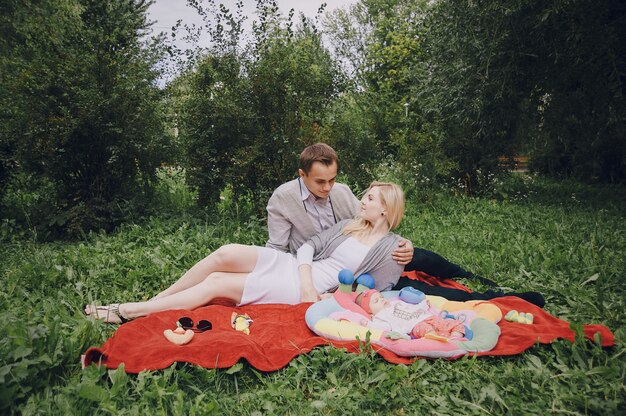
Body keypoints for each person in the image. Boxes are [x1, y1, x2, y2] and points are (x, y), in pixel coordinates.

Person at [85, 181, 408, 323]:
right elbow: (310, 246)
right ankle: (156, 301)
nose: (361, 201)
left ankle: (127, 311)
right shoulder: (349, 226)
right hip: (296, 267)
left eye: (369, 198)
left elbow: (378, 292)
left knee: (216, 284)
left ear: (385, 210)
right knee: (225, 254)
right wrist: (306, 276)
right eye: (364, 196)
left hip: (298, 288)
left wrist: (325, 296)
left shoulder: (392, 248)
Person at [266, 143, 545, 306]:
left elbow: (370, 222)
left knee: (411, 253)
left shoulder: (340, 191)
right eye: (320, 182)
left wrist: (404, 243)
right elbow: (277, 249)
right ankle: (493, 298)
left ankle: (464, 273)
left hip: (364, 253)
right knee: (415, 291)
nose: (328, 187)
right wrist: (288, 280)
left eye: (333, 179)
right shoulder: (283, 198)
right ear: (302, 175)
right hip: (324, 267)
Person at [338, 289, 466, 340]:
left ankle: (456, 337)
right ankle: (436, 339)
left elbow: (413, 308)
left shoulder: (395, 303)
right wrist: (369, 325)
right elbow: (383, 329)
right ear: (369, 311)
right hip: (415, 326)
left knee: (455, 323)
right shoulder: (379, 317)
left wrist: (423, 305)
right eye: (376, 301)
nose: (382, 299)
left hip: (427, 317)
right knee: (426, 330)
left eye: (381, 297)